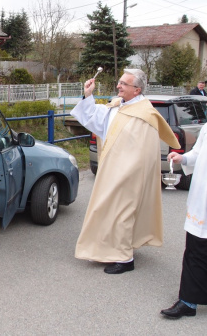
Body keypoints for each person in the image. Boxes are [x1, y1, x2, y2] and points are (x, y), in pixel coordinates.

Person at [70, 68, 180, 274]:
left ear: (137, 89)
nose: (119, 86)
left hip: (129, 175)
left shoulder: (144, 114)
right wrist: (88, 95)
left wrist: (128, 173)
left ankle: (125, 258)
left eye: (124, 84)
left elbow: (144, 152)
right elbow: (96, 119)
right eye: (120, 82)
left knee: (123, 213)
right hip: (111, 170)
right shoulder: (118, 106)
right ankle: (108, 249)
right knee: (108, 211)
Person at [161, 123, 207, 319]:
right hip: (202, 197)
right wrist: (183, 157)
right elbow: (198, 152)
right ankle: (188, 301)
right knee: (195, 249)